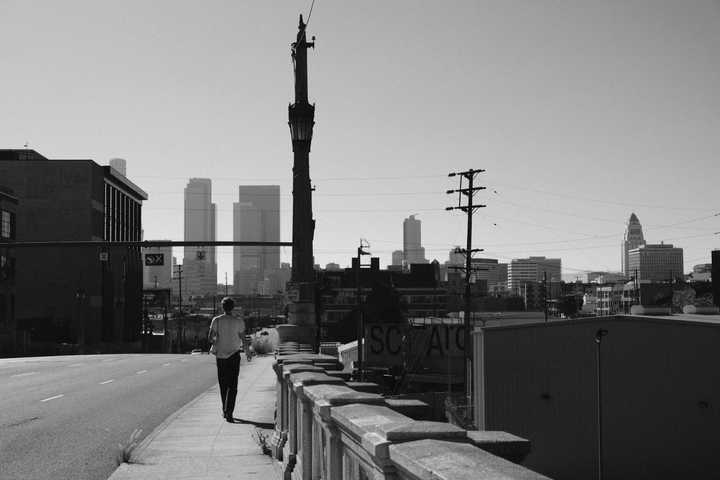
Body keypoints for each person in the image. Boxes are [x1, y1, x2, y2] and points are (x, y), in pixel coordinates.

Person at [208, 297, 245, 422]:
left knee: (223, 384)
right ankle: (229, 412)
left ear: (222, 307)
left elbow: (210, 338)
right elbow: (243, 338)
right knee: (233, 385)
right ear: (233, 307)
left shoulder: (216, 320)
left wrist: (217, 341)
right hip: (234, 355)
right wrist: (249, 352)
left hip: (221, 356)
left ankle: (225, 409)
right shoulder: (238, 321)